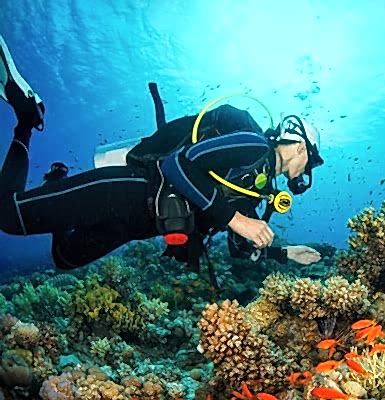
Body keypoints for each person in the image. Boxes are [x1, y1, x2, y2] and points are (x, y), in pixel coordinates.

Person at [0, 34, 324, 277]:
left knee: (65, 258)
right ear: (299, 147)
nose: (307, 171)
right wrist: (237, 220)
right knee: (8, 217)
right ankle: (26, 120)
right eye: (310, 161)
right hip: (129, 190)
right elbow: (177, 164)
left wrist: (283, 253)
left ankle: (54, 181)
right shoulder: (254, 146)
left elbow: (239, 247)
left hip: (136, 226)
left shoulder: (256, 189)